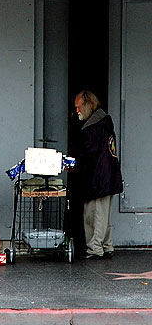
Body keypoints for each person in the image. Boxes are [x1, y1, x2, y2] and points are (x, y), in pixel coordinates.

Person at [73, 90, 123, 260]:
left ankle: (95, 249)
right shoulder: (105, 123)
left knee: (93, 215)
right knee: (104, 215)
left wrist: (73, 163)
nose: (77, 111)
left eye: (79, 107)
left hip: (97, 179)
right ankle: (106, 246)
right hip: (108, 177)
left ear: (88, 105)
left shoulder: (93, 128)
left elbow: (87, 153)